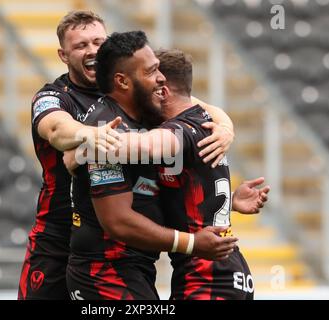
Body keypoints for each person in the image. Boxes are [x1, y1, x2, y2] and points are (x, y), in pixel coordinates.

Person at [18, 11, 235, 300]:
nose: (92, 50)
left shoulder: (136, 91)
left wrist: (225, 128)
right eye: (81, 45)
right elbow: (56, 128)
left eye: (98, 41)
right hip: (60, 239)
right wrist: (90, 138)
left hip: (124, 251)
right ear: (63, 55)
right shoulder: (55, 97)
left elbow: (197, 108)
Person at [65, 31, 266, 300]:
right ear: (123, 81)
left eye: (159, 72)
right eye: (151, 72)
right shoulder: (116, 121)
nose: (158, 79)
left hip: (205, 276)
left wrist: (86, 147)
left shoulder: (170, 130)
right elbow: (118, 221)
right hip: (105, 273)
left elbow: (147, 147)